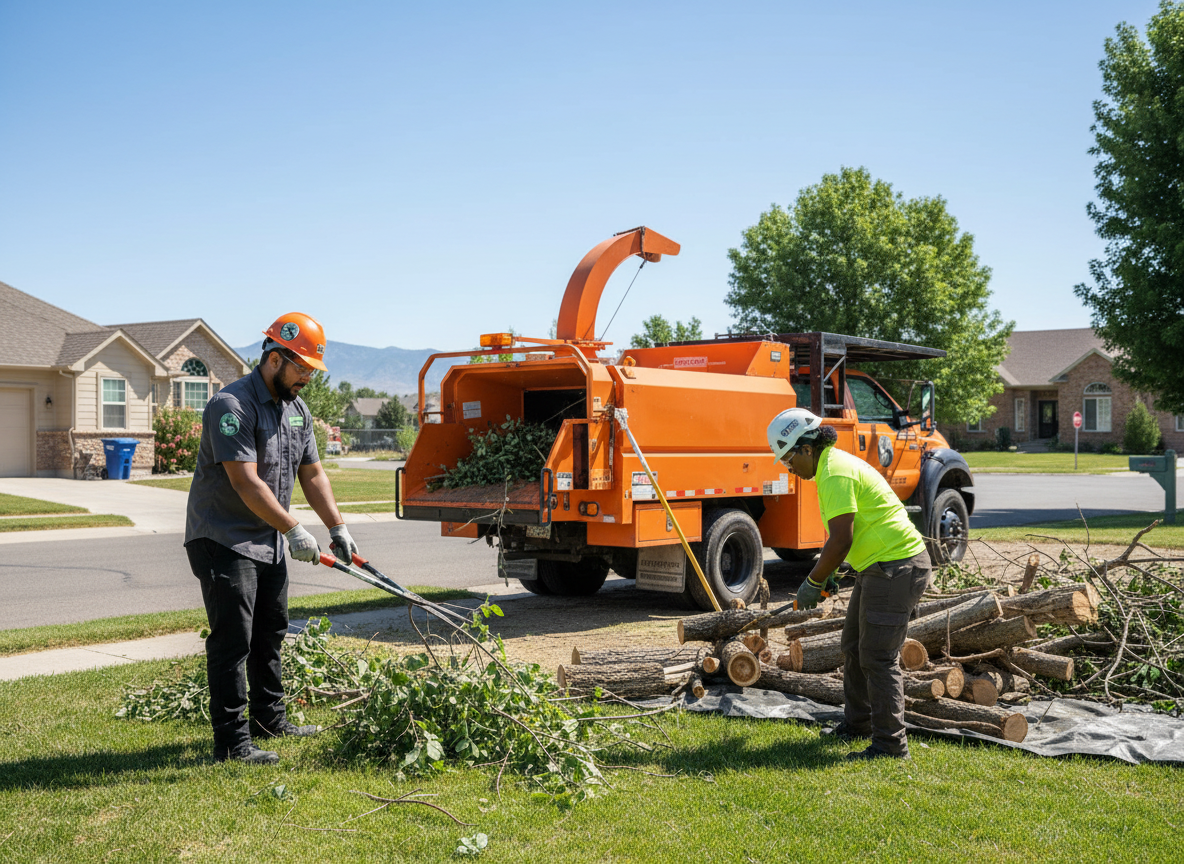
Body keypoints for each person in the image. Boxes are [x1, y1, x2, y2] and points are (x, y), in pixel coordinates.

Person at [185, 312, 360, 764]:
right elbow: (246, 483)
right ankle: (232, 743)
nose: (307, 378)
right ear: (275, 358)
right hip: (223, 539)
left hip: (269, 539)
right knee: (233, 641)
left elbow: (313, 473)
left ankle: (270, 719)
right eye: (302, 368)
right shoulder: (231, 406)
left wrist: (336, 526)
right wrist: (294, 528)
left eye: (310, 370)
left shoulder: (297, 410)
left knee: (271, 631)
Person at [767, 407, 931, 760]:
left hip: (896, 568)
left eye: (789, 459)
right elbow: (855, 535)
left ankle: (890, 746)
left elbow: (841, 539)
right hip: (882, 566)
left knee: (878, 656)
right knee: (854, 645)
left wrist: (813, 581)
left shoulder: (834, 472)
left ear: (807, 448)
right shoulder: (831, 466)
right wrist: (835, 575)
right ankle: (858, 723)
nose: (789, 469)